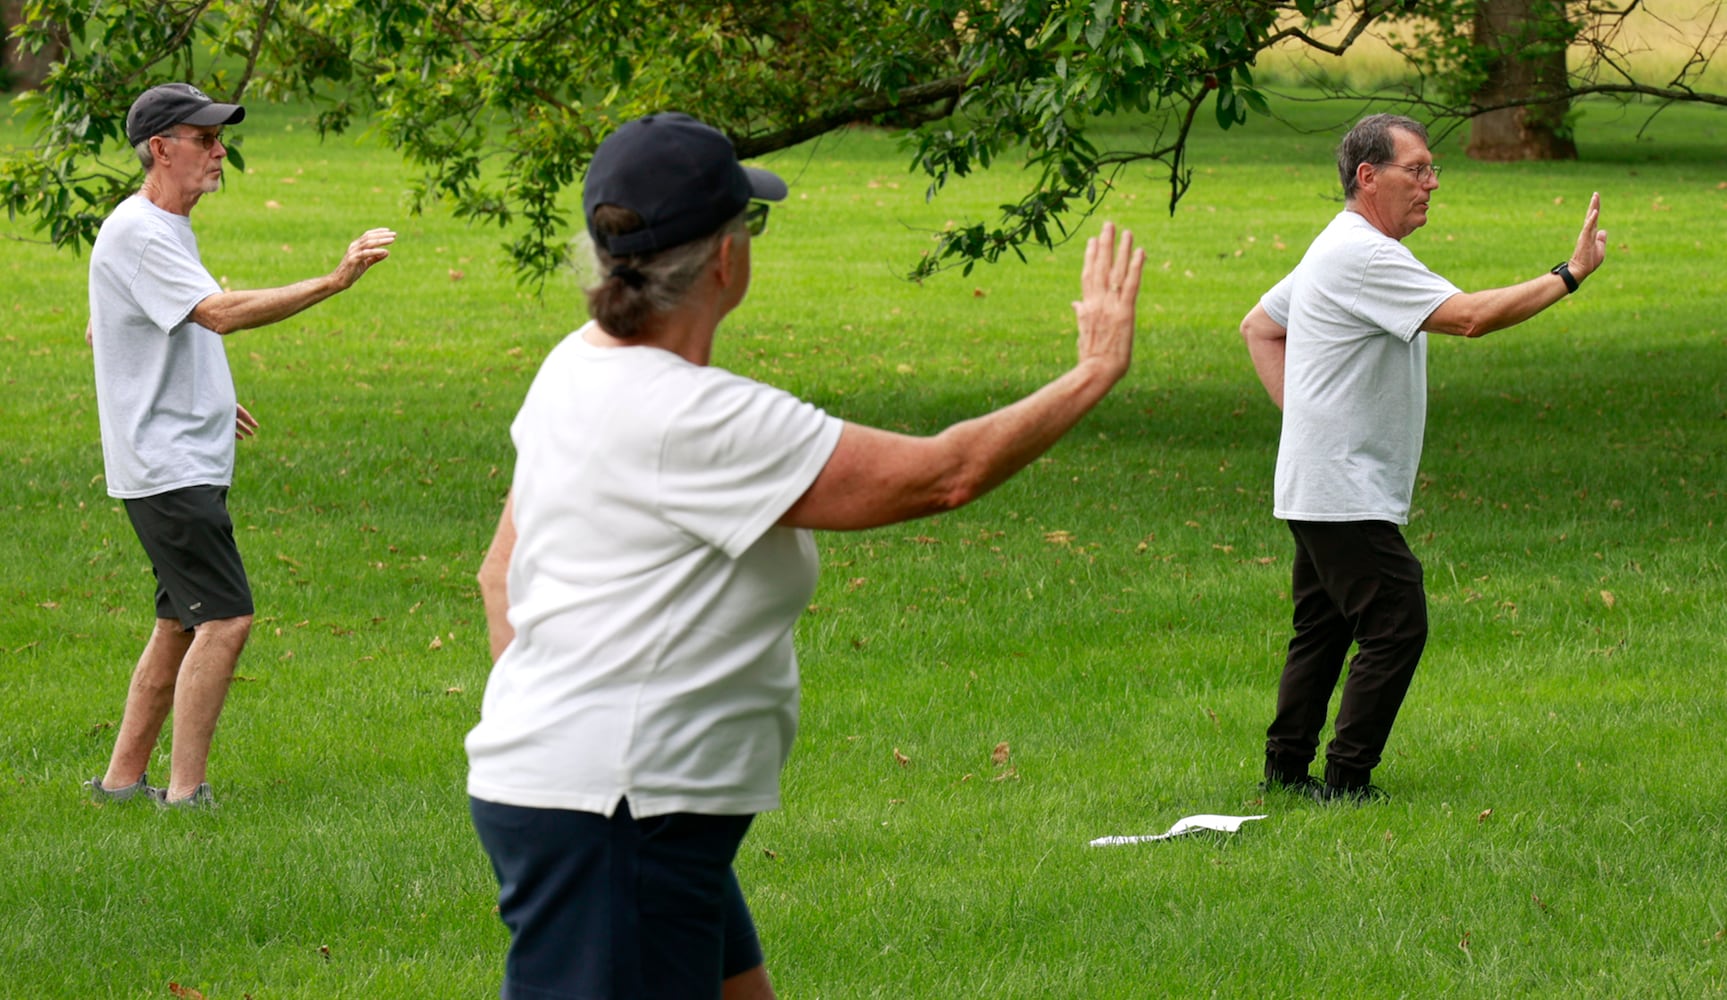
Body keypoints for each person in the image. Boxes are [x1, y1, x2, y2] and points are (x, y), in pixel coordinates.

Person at [467, 111, 1145, 1000]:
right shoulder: (700, 419)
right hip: (620, 812)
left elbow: (497, 572)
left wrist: (561, 724)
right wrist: (1091, 370)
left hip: (627, 800)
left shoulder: (574, 366)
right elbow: (945, 475)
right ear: (725, 258)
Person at [1239, 113, 1608, 803]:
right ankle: (1347, 781)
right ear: (1368, 177)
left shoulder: (1336, 245)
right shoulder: (1363, 255)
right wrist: (1569, 274)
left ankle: (1286, 774)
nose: (1432, 183)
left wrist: (1308, 425)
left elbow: (1258, 327)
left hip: (1322, 481)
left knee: (1321, 629)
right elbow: (1469, 316)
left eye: (1433, 169)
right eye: (1418, 169)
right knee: (1395, 619)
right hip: (1340, 487)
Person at [85, 82, 397, 808]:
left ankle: (121, 783)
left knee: (177, 623)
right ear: (161, 149)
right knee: (225, 620)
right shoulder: (139, 231)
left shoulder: (154, 228)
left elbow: (118, 325)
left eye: (218, 137)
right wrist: (336, 279)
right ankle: (186, 795)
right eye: (204, 138)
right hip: (166, 468)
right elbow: (217, 315)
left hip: (175, 454)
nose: (220, 151)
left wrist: (208, 395)